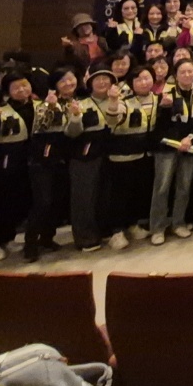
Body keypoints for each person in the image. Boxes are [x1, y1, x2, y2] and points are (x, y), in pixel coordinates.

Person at [0, 70, 35, 260]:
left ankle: (8, 237)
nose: (22, 90)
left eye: (24, 85)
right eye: (16, 87)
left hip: (22, 160)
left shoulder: (35, 105)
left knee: (14, 201)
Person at [102, 63, 156, 250]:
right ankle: (116, 231)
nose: (143, 82)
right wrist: (113, 101)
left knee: (137, 193)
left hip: (144, 154)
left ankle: (133, 224)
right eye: (138, 79)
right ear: (131, 83)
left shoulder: (157, 99)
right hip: (122, 156)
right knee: (119, 195)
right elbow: (112, 120)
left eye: (147, 78)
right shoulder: (123, 101)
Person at [150, 58, 193, 245]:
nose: (187, 75)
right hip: (167, 147)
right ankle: (157, 228)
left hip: (189, 145)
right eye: (183, 72)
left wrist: (190, 138)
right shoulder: (166, 94)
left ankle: (178, 222)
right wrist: (165, 108)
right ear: (176, 75)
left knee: (184, 186)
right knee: (162, 187)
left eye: (190, 71)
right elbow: (159, 126)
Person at [24, 68, 73, 261]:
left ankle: (47, 237)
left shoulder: (73, 101)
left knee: (57, 200)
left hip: (63, 156)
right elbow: (40, 125)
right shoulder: (44, 103)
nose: (68, 84)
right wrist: (51, 107)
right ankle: (30, 243)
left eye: (71, 79)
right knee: (42, 201)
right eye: (63, 81)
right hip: (42, 158)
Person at [64, 68, 114, 252]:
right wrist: (76, 116)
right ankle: (85, 237)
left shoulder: (118, 100)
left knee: (105, 195)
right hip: (84, 155)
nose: (102, 82)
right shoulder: (80, 103)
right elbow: (71, 133)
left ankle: (104, 230)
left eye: (106, 79)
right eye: (97, 79)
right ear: (89, 82)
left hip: (108, 154)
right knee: (84, 198)